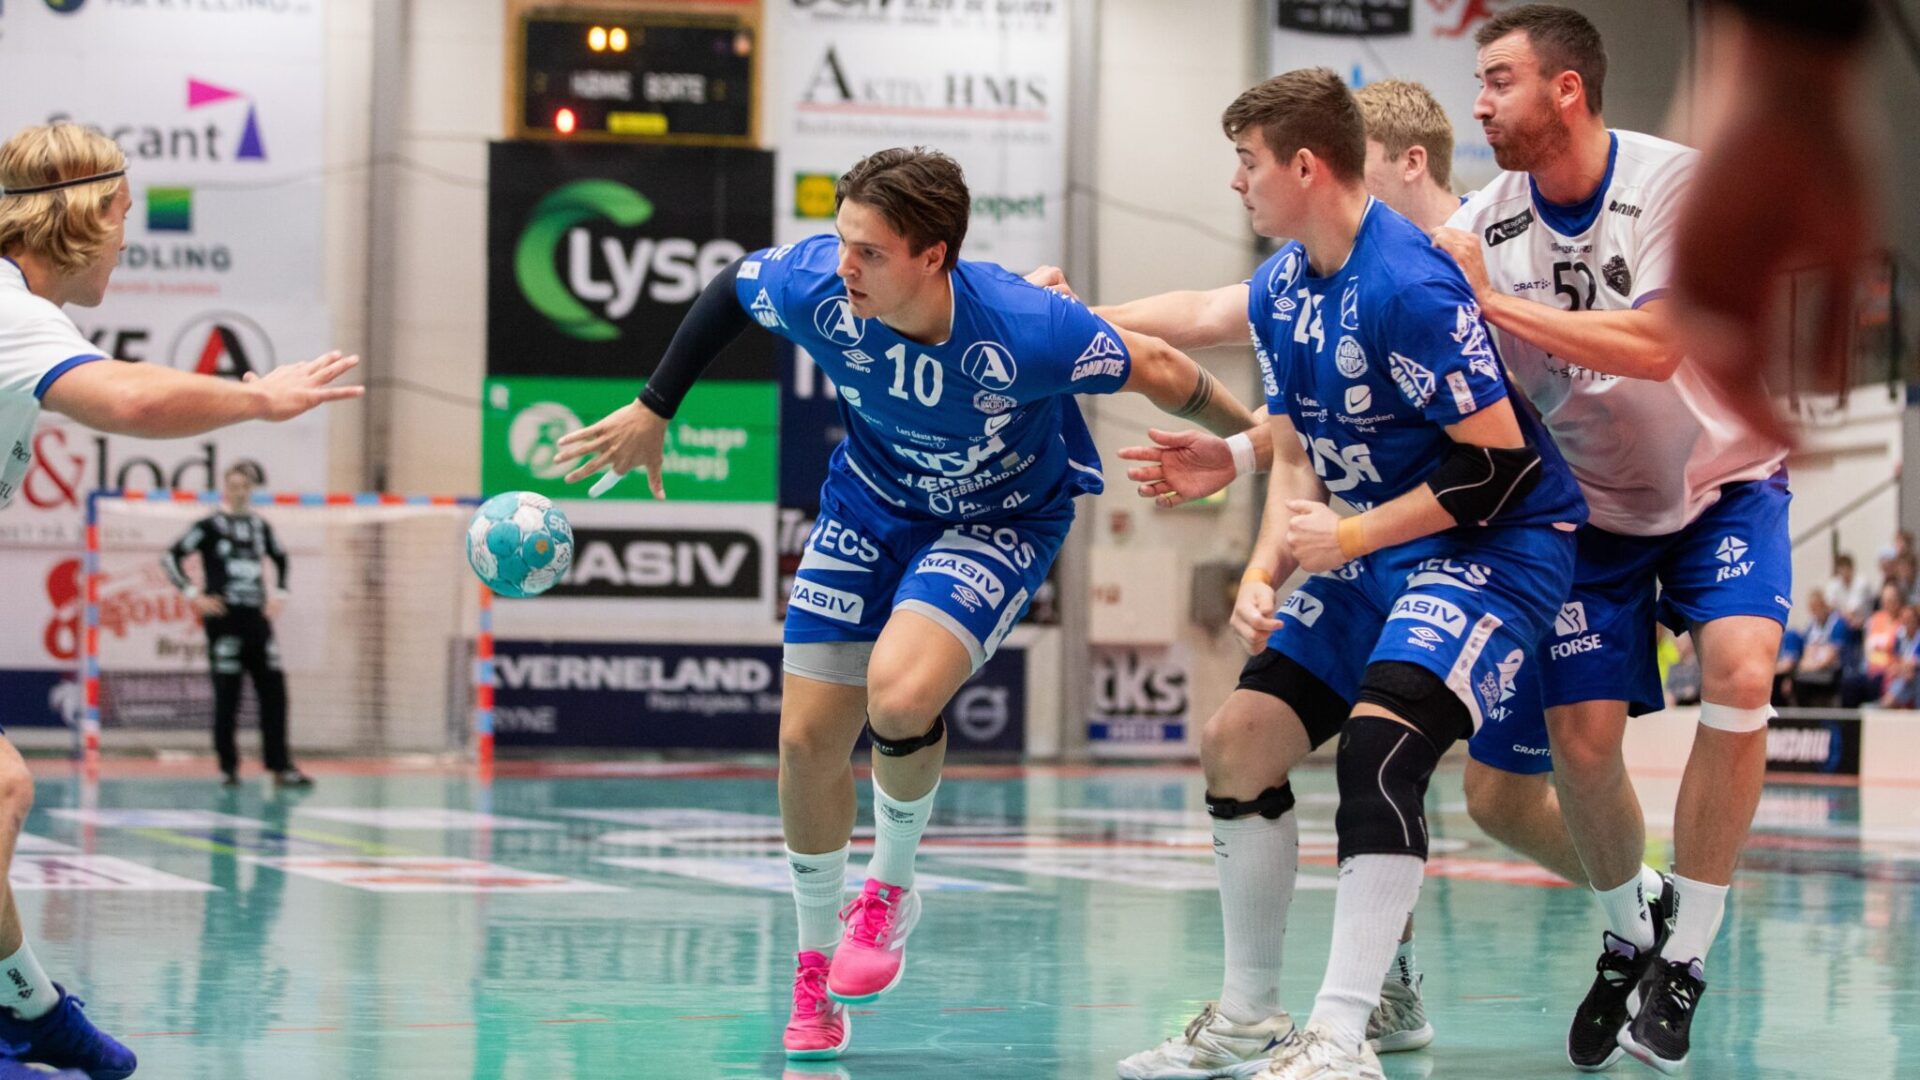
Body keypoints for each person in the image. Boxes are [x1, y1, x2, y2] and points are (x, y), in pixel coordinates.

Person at [552, 146, 1257, 1062]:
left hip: (998, 519)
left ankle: (887, 890)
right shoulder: (820, 286)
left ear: (934, 257)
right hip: (871, 506)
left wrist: (1264, 449)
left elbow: (1161, 364)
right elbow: (731, 288)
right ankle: (813, 972)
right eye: (843, 240)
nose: (844, 265)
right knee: (805, 743)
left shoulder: (1025, 328)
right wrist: (656, 406)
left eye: (871, 252)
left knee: (898, 695)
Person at [1053, 68, 1585, 1080]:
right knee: (1237, 743)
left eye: (1246, 162)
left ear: (1305, 167)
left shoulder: (1410, 286)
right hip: (1379, 549)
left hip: (1495, 547)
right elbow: (1260, 394)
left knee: (1378, 751)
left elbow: (1501, 468)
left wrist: (1353, 533)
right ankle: (1249, 1018)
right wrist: (1264, 568)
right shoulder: (1288, 283)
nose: (1235, 183)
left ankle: (1344, 1034)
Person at [1428, 7, 1792, 1070]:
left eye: (1498, 80)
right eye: (1478, 83)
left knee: (1742, 670)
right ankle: (1632, 934)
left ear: (1567, 89)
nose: (1479, 104)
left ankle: (1687, 960)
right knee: (1581, 747)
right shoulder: (1479, 221)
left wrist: (1497, 305)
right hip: (1590, 510)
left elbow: (1660, 343)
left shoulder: (1674, 182)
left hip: (1725, 478)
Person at [0, 122, 360, 1079]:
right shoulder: (9, 313)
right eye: (121, 214)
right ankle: (28, 1016)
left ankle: (29, 1010)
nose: (127, 237)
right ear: (79, 216)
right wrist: (260, 401)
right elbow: (132, 401)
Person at [163, 462, 313, 788]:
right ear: (225, 489)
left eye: (244, 487)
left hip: (257, 621)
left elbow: (281, 558)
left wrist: (280, 594)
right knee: (227, 696)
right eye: (234, 486)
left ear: (250, 490)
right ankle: (228, 767)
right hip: (224, 621)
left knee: (274, 693)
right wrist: (194, 595)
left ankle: (280, 766)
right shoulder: (209, 526)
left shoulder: (260, 526)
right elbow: (171, 557)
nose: (239, 492)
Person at [1792, 590, 1846, 707]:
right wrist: (1805, 666)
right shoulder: (1811, 625)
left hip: (1831, 669)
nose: (1815, 612)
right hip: (1813, 667)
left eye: (1817, 607)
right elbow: (1807, 652)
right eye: (1812, 609)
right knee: (1795, 681)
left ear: (1824, 605)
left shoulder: (1837, 623)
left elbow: (1832, 655)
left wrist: (1812, 666)